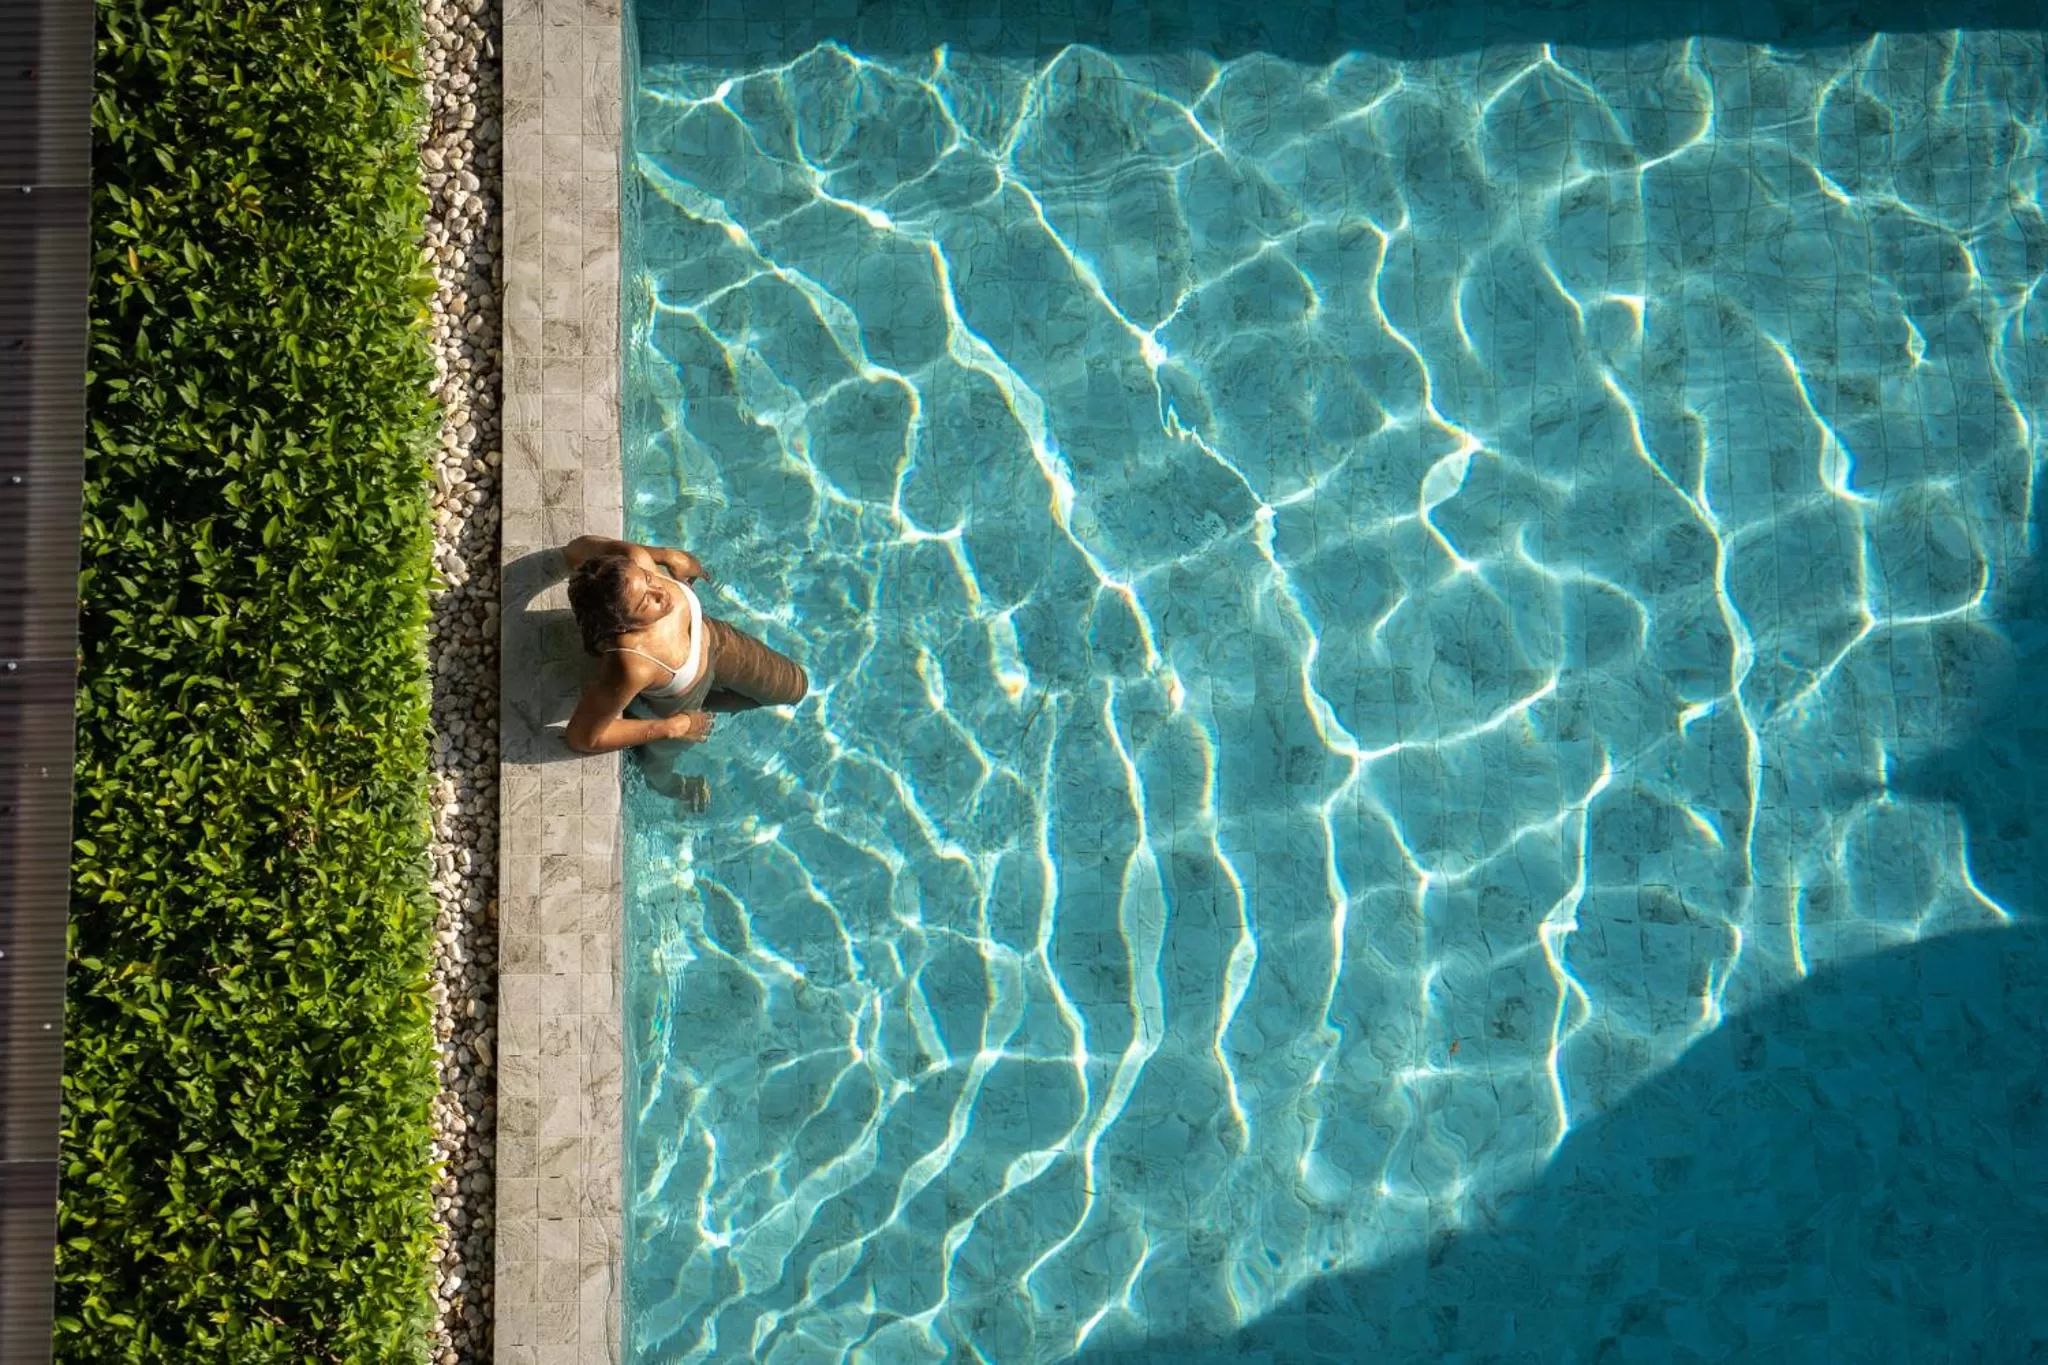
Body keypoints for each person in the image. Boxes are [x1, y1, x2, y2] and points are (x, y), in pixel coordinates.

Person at [560, 533, 809, 753]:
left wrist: (666, 555)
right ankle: (666, 772)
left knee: (795, 687)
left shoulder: (637, 559)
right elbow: (582, 737)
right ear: (622, 626)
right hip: (680, 702)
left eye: (648, 578)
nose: (661, 592)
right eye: (646, 602)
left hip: (716, 642)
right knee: (661, 770)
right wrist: (673, 727)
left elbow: (574, 550)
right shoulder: (633, 663)